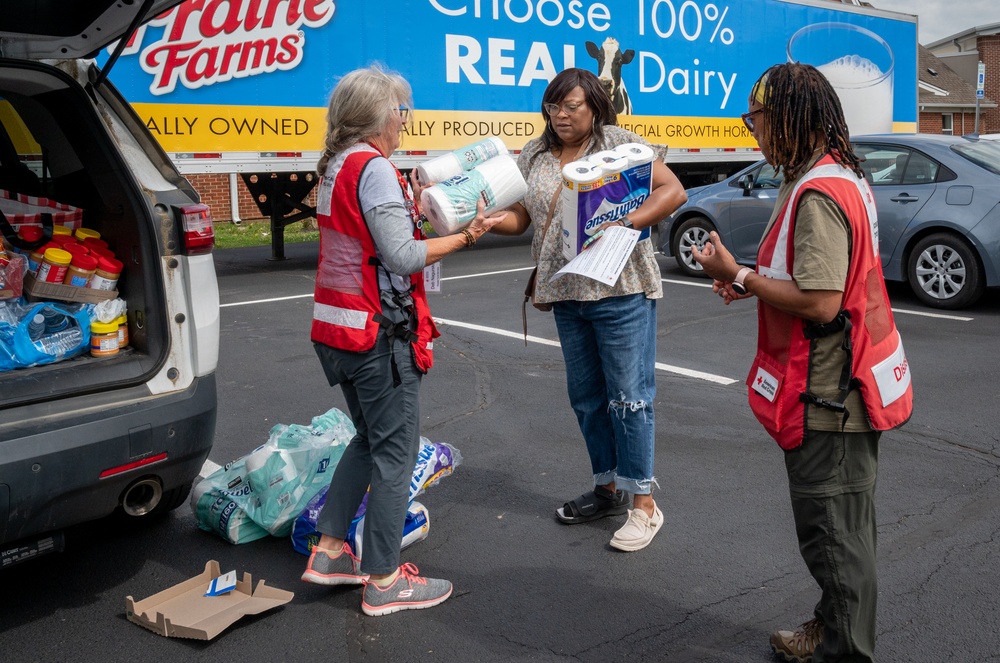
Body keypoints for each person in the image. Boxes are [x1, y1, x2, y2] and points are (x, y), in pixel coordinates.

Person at [692, 63, 913, 662]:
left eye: (754, 119)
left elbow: (819, 301)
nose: (752, 131)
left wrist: (735, 273)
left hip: (829, 399)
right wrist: (753, 281)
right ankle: (829, 626)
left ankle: (845, 650)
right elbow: (816, 280)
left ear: (788, 117)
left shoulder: (817, 191)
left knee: (834, 542)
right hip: (846, 384)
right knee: (843, 533)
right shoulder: (836, 173)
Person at [300, 64, 502, 616]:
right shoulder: (374, 168)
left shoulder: (337, 165)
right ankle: (385, 580)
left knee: (367, 439)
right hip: (378, 337)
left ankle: (331, 550)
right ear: (382, 117)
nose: (406, 121)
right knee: (395, 452)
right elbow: (404, 256)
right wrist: (465, 235)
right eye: (403, 111)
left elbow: (368, 243)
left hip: (338, 331)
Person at [489, 68, 687, 552]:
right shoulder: (535, 153)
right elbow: (526, 216)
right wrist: (492, 220)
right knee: (588, 399)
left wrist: (625, 220)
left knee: (629, 398)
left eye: (571, 106)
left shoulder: (619, 143)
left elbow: (673, 191)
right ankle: (607, 489)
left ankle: (644, 504)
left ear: (595, 106)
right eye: (554, 106)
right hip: (567, 296)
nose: (560, 115)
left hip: (621, 290)